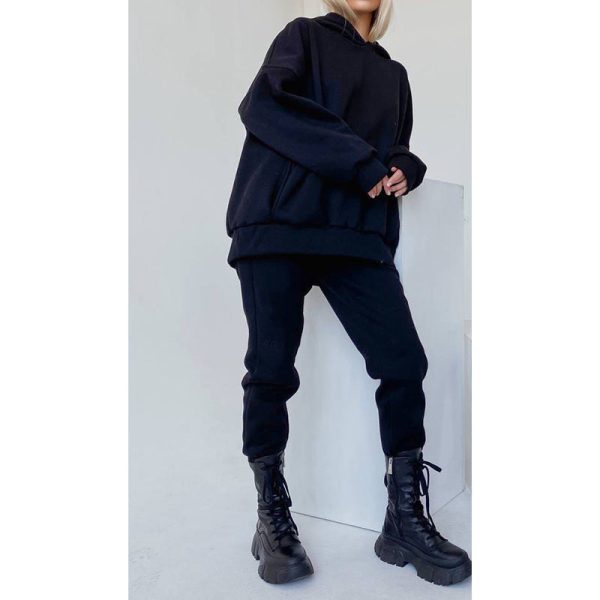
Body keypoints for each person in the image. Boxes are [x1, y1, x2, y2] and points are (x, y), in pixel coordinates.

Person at [225, 0, 471, 586]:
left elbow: (390, 145)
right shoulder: (303, 36)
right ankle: (271, 517)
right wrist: (360, 162)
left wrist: (404, 164)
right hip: (278, 224)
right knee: (270, 371)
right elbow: (264, 106)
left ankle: (403, 519)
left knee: (404, 363)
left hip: (354, 234)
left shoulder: (394, 75)